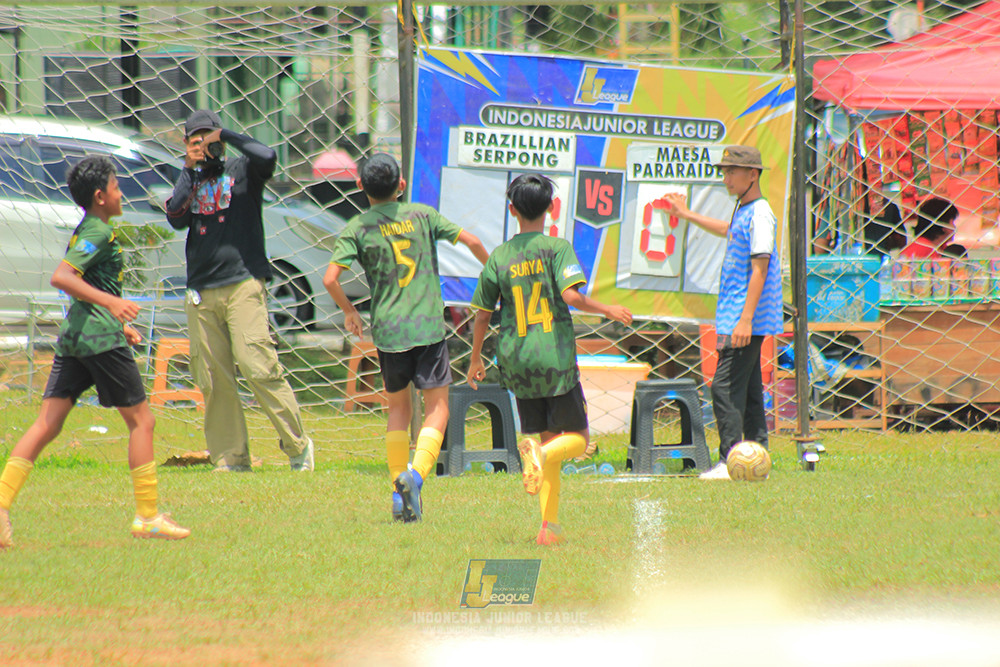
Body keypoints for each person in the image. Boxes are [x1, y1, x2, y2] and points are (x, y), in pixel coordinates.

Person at [0, 156, 190, 548]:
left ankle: (1, 504)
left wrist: (119, 320)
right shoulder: (98, 232)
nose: (122, 192)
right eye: (118, 186)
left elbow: (86, 282)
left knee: (47, 424)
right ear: (101, 196)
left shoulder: (90, 228)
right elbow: (63, 277)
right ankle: (148, 516)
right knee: (143, 422)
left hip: (79, 336)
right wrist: (113, 306)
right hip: (99, 341)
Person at [467, 173, 632, 545]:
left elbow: (481, 314)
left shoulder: (500, 256)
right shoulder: (557, 248)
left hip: (517, 360)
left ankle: (548, 528)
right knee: (576, 439)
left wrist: (475, 360)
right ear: (552, 208)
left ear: (512, 210)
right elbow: (572, 298)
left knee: (545, 440)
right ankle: (540, 457)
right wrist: (608, 308)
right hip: (553, 360)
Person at [323, 153, 488, 522]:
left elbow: (330, 278)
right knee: (438, 409)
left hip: (389, 333)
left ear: (361, 187)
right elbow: (473, 241)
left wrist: (350, 312)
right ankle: (415, 476)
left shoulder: (357, 228)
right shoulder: (422, 216)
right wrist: (492, 273)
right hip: (428, 328)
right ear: (401, 185)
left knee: (397, 410)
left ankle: (398, 495)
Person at [165, 109, 313, 472]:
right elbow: (175, 217)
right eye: (195, 139)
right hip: (202, 289)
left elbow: (268, 156)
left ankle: (298, 447)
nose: (204, 145)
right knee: (213, 379)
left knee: (256, 364)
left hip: (244, 282)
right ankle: (232, 457)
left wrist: (225, 136)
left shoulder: (243, 170)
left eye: (208, 136)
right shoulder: (191, 177)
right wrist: (189, 167)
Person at [660, 145, 783, 480]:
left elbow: (760, 268)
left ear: (753, 175)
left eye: (732, 172)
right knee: (748, 389)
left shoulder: (759, 214)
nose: (726, 178)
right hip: (737, 314)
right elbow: (728, 232)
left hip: (745, 317)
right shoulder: (743, 210)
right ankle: (758, 453)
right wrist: (686, 215)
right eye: (724, 171)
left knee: (724, 387)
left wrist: (745, 319)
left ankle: (731, 461)